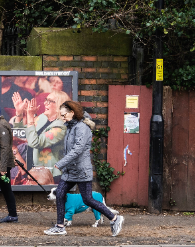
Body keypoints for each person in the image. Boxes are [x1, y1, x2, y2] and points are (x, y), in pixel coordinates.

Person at [43, 100, 125, 236]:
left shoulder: (82, 127)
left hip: (81, 171)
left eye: (64, 115)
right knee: (60, 194)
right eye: (61, 115)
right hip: (70, 171)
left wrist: (61, 163)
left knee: (88, 199)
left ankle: (115, 218)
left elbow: (77, 150)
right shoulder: (71, 126)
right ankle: (60, 226)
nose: (62, 118)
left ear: (72, 112)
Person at [12, 89, 70, 178]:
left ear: (60, 106)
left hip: (49, 175)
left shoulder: (61, 127)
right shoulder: (43, 117)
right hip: (33, 170)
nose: (45, 103)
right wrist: (19, 113)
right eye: (46, 100)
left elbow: (35, 143)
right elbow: (22, 133)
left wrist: (30, 116)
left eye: (50, 101)